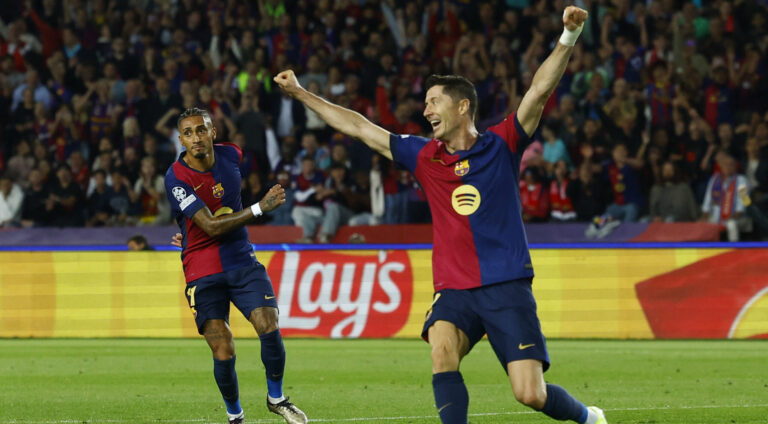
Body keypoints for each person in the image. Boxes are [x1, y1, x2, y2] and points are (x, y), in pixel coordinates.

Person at [274, 6, 606, 424]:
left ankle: (590, 418)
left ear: (463, 106)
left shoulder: (502, 144)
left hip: (506, 285)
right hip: (455, 287)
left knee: (530, 394)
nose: (426, 110)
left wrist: (568, 37)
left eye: (434, 102)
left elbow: (537, 92)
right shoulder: (423, 155)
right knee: (441, 348)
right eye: (426, 103)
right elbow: (359, 127)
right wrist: (301, 93)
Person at [164, 108, 308, 424]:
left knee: (268, 324)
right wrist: (260, 207)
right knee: (223, 347)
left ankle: (277, 398)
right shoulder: (176, 178)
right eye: (188, 133)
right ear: (181, 140)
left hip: (242, 259)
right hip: (202, 269)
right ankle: (235, 416)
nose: (195, 138)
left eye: (201, 130)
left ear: (214, 132)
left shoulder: (232, 155)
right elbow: (211, 226)